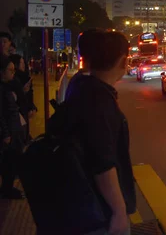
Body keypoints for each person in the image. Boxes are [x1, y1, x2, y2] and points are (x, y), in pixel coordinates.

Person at [47, 31, 135, 235]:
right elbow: (102, 163)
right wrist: (119, 212)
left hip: (76, 204)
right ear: (123, 61)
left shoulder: (80, 85)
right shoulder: (99, 100)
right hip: (96, 214)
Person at [0, 55, 27, 199]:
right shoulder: (2, 89)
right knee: (9, 163)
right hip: (9, 132)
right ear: (2, 72)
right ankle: (7, 189)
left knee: (12, 161)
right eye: (10, 70)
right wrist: (5, 134)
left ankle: (8, 187)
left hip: (14, 130)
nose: (13, 73)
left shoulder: (9, 86)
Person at [8, 54, 36, 140]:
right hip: (19, 113)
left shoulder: (23, 76)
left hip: (23, 111)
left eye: (24, 63)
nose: (23, 65)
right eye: (21, 63)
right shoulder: (16, 80)